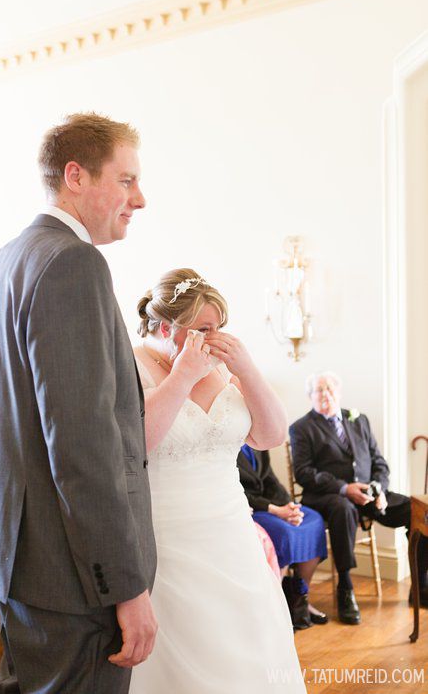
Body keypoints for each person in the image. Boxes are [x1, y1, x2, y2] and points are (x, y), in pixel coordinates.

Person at [0, 113, 157, 694]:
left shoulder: (5, 262)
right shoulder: (74, 263)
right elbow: (83, 444)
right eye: (125, 181)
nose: (139, 199)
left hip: (18, 563)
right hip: (73, 581)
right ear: (76, 176)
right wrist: (124, 585)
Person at [130, 269, 304, 693]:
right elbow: (139, 445)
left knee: (250, 649)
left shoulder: (223, 369)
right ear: (168, 327)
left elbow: (270, 435)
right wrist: (182, 377)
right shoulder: (131, 364)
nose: (215, 337)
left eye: (219, 327)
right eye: (203, 329)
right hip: (168, 538)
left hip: (231, 532)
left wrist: (246, 368)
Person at [289, 372, 428, 624]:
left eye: (330, 388)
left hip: (369, 495)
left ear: (338, 393)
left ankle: (421, 586)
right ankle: (345, 586)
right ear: (310, 396)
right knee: (344, 509)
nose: (325, 394)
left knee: (418, 511)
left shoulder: (359, 419)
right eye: (318, 390)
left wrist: (379, 489)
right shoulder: (301, 428)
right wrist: (344, 488)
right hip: (328, 497)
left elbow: (379, 462)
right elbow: (304, 473)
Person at [237, 445, 329, 627]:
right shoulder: (227, 443)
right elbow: (238, 491)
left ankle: (301, 599)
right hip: (252, 508)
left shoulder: (256, 441)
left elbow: (270, 479)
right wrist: (277, 511)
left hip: (275, 505)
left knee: (313, 520)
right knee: (285, 533)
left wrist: (290, 507)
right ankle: (278, 607)